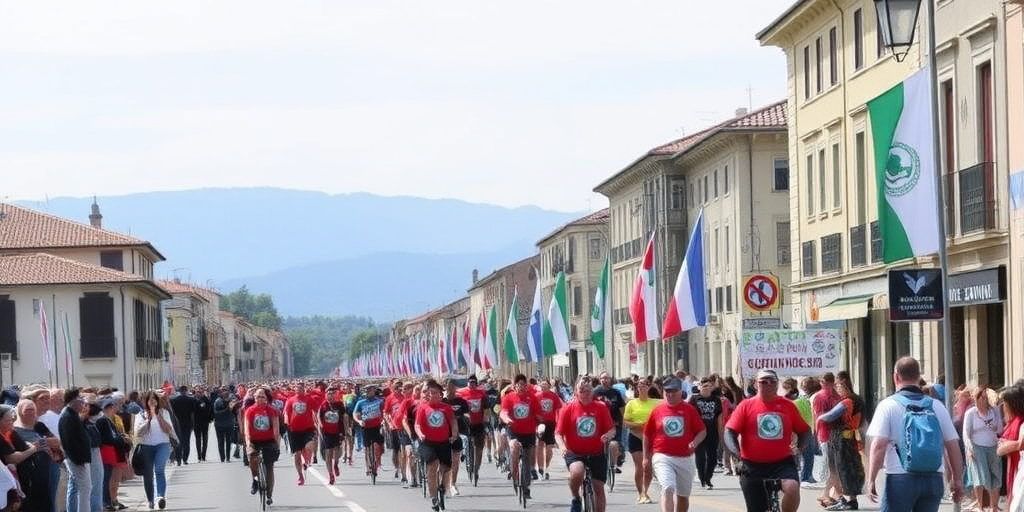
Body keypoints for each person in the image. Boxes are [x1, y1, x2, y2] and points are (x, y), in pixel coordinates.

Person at [865, 356, 964, 510]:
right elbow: (952, 446)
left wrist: (871, 479)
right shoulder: (937, 406)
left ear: (896, 376)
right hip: (933, 479)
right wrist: (957, 480)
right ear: (919, 377)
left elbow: (879, 446)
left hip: (900, 478)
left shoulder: (888, 405)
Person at [724, 369, 810, 512]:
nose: (768, 384)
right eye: (763, 381)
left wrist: (799, 450)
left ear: (777, 384)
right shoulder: (746, 405)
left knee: (792, 487)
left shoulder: (788, 405)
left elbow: (805, 431)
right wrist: (738, 457)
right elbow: (729, 432)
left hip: (782, 462)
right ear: (756, 384)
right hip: (751, 464)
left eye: (772, 381)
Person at [644, 376, 706, 512]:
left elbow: (702, 431)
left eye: (674, 391)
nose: (670, 394)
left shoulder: (689, 409)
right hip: (662, 456)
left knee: (683, 496)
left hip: (685, 458)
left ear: (680, 391)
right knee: (668, 487)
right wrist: (645, 457)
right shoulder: (657, 410)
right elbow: (647, 434)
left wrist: (695, 442)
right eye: (667, 391)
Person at [556, 376, 615, 512]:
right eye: (581, 390)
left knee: (598, 487)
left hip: (596, 453)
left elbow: (612, 429)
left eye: (588, 390)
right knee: (577, 471)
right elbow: (558, 433)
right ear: (576, 392)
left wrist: (607, 435)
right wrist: (562, 447)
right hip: (575, 453)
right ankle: (576, 497)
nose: (585, 393)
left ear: (592, 391)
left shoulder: (601, 407)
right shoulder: (568, 408)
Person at [817, 377, 866, 510]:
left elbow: (830, 416)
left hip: (841, 440)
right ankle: (846, 499)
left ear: (845, 387)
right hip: (849, 438)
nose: (837, 389)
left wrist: (819, 418)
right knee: (848, 468)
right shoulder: (857, 400)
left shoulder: (846, 402)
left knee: (840, 469)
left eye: (839, 386)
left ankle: (844, 500)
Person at [0, 402, 53, 512]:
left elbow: (23, 446)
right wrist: (35, 448)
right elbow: (12, 458)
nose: (12, 422)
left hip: (23, 479)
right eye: (9, 420)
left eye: (12, 419)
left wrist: (31, 445)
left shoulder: (11, 432)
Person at [414, 380, 457, 512]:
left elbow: (453, 422)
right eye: (429, 392)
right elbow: (417, 425)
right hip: (428, 443)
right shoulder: (423, 408)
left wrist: (454, 434)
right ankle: (433, 497)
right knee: (432, 466)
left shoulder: (446, 408)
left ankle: (443, 487)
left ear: (440, 395)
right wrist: (420, 434)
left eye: (434, 393)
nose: (431, 395)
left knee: (446, 468)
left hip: (443, 442)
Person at [500, 374, 542, 498]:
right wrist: (507, 419)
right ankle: (514, 475)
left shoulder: (532, 398)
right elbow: (503, 412)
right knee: (514, 447)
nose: (521, 387)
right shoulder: (509, 398)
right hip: (514, 430)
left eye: (523, 384)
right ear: (515, 386)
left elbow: (538, 413)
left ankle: (526, 486)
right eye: (519, 384)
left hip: (529, 432)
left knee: (527, 459)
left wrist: (541, 422)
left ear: (526, 386)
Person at [964, 385, 1003, 512]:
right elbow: (966, 433)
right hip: (977, 446)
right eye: (981, 398)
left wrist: (994, 426)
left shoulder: (994, 410)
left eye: (986, 398)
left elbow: (1000, 430)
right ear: (975, 399)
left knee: (996, 476)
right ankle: (980, 506)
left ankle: (994, 506)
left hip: (993, 445)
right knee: (981, 476)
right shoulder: (971, 413)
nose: (984, 401)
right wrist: (969, 448)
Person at [133, 390, 175, 510]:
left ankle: (160, 497)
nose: (152, 401)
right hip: (146, 446)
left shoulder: (164, 413)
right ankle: (150, 500)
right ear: (146, 401)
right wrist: (149, 419)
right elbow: (138, 433)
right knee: (148, 474)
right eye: (150, 399)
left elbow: (168, 429)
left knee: (159, 470)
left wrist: (158, 416)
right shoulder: (140, 415)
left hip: (162, 445)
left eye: (154, 398)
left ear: (157, 401)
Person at [243, 387, 282, 507]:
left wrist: (277, 445)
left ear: (266, 398)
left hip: (268, 441)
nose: (260, 399)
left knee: (269, 467)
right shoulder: (250, 411)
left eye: (262, 397)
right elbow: (246, 429)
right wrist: (248, 442)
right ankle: (255, 480)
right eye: (258, 396)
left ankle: (269, 494)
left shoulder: (272, 411)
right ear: (254, 398)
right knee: (252, 457)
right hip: (254, 441)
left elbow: (276, 430)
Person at [623, 378, 661, 503]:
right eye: (639, 385)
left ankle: (645, 491)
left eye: (644, 385)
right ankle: (641, 493)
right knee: (640, 466)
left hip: (650, 438)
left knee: (648, 467)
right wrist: (640, 424)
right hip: (636, 436)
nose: (642, 387)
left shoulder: (656, 403)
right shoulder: (631, 403)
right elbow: (626, 423)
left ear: (649, 387)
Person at [58, 388, 93, 512]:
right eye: (80, 399)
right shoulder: (67, 416)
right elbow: (69, 442)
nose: (83, 402)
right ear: (72, 400)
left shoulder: (72, 414)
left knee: (79, 487)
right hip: (77, 460)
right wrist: (79, 460)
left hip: (78, 458)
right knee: (85, 488)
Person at [689, 376, 723, 491]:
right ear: (699, 387)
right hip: (698, 433)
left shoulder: (716, 400)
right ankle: (702, 478)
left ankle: (708, 478)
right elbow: (688, 416)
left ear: (712, 387)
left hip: (712, 432)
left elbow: (719, 418)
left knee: (713, 458)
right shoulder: (694, 399)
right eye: (703, 386)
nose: (706, 388)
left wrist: (721, 435)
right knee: (701, 457)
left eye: (708, 386)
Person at [812, 372, 841, 507]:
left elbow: (818, 418)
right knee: (834, 467)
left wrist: (815, 434)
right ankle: (833, 494)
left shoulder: (820, 396)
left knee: (832, 468)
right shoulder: (837, 396)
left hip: (825, 434)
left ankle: (830, 494)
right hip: (836, 434)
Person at [283, 383, 317, 486]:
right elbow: (286, 413)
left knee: (309, 446)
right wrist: (287, 422)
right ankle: (300, 476)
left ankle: (306, 460)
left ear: (304, 389)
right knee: (297, 454)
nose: (299, 390)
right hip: (293, 430)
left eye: (301, 388)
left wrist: (317, 423)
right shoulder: (290, 400)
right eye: (297, 388)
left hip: (307, 428)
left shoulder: (308, 399)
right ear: (295, 390)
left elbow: (316, 409)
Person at [592, 372, 626, 477]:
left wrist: (624, 420)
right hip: (599, 424)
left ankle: (614, 465)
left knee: (614, 444)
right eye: (602, 378)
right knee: (600, 445)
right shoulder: (594, 392)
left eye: (606, 378)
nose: (604, 380)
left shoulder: (616, 393)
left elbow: (622, 408)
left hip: (614, 423)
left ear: (610, 380)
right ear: (599, 379)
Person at [997, 382, 1024, 506]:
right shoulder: (1013, 421)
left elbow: (1020, 444)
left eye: (1005, 402)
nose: (1003, 406)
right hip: (1014, 466)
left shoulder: (1020, 421)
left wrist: (1006, 445)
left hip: (1019, 467)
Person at [457, 375, 487, 479]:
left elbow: (486, 408)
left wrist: (485, 420)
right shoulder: (461, 393)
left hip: (479, 423)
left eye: (474, 382)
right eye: (470, 382)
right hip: (466, 424)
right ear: (467, 383)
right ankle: (463, 453)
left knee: (479, 448)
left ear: (476, 383)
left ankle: (476, 469)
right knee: (463, 440)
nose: (472, 384)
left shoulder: (482, 393)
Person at [442, 378, 469, 496]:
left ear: (455, 388)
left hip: (460, 432)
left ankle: (453, 483)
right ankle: (443, 483)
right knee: (443, 461)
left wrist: (467, 418)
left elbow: (467, 414)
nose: (450, 389)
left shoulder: (461, 401)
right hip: (444, 433)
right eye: (448, 386)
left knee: (455, 460)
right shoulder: (442, 402)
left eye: (452, 386)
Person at [317, 388, 349, 485]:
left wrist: (346, 430)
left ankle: (336, 464)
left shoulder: (339, 405)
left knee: (337, 452)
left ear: (335, 395)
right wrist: (320, 429)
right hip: (326, 433)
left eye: (332, 394)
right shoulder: (323, 405)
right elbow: (318, 417)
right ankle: (331, 475)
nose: (330, 396)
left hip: (338, 432)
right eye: (329, 394)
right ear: (326, 395)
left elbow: (345, 417)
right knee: (328, 453)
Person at [352, 384, 385, 478]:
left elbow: (385, 412)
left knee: (380, 447)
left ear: (374, 391)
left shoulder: (380, 401)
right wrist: (359, 421)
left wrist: (383, 420)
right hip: (366, 426)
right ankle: (368, 467)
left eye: (370, 390)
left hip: (377, 426)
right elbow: (355, 413)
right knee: (367, 447)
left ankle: (377, 461)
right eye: (367, 390)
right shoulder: (361, 402)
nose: (368, 392)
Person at [534, 379, 563, 481]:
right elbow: (533, 409)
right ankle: (540, 468)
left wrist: (559, 422)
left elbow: (558, 409)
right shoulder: (536, 396)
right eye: (541, 384)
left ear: (549, 386)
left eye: (545, 384)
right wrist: (536, 417)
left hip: (551, 423)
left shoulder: (553, 396)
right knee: (540, 444)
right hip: (540, 423)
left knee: (549, 447)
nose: (543, 386)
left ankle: (546, 467)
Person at [794, 377, 818, 487]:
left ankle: (805, 476)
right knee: (807, 455)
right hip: (806, 429)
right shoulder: (807, 399)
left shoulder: (801, 399)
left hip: (804, 429)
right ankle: (806, 476)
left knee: (804, 455)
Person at [168, 386, 197, 466]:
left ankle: (178, 459)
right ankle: (185, 459)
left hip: (177, 424)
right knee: (186, 442)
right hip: (187, 423)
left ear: (180, 391)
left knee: (178, 441)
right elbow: (193, 412)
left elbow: (171, 412)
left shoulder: (173, 400)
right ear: (186, 391)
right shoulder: (191, 400)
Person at [212, 389, 236, 463]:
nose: (226, 396)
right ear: (221, 395)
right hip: (220, 425)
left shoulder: (231, 401)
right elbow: (216, 413)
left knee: (228, 441)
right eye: (225, 395)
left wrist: (234, 407)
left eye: (227, 395)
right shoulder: (218, 401)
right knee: (221, 441)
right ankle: (222, 458)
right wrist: (227, 409)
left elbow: (234, 412)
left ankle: (228, 458)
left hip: (229, 424)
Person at [193, 386, 213, 462]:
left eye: (200, 392)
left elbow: (210, 409)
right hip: (196, 422)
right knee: (198, 439)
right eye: (197, 392)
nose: (199, 393)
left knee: (205, 439)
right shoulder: (193, 400)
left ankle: (203, 456)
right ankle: (199, 456)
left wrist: (210, 419)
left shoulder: (206, 400)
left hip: (204, 422)